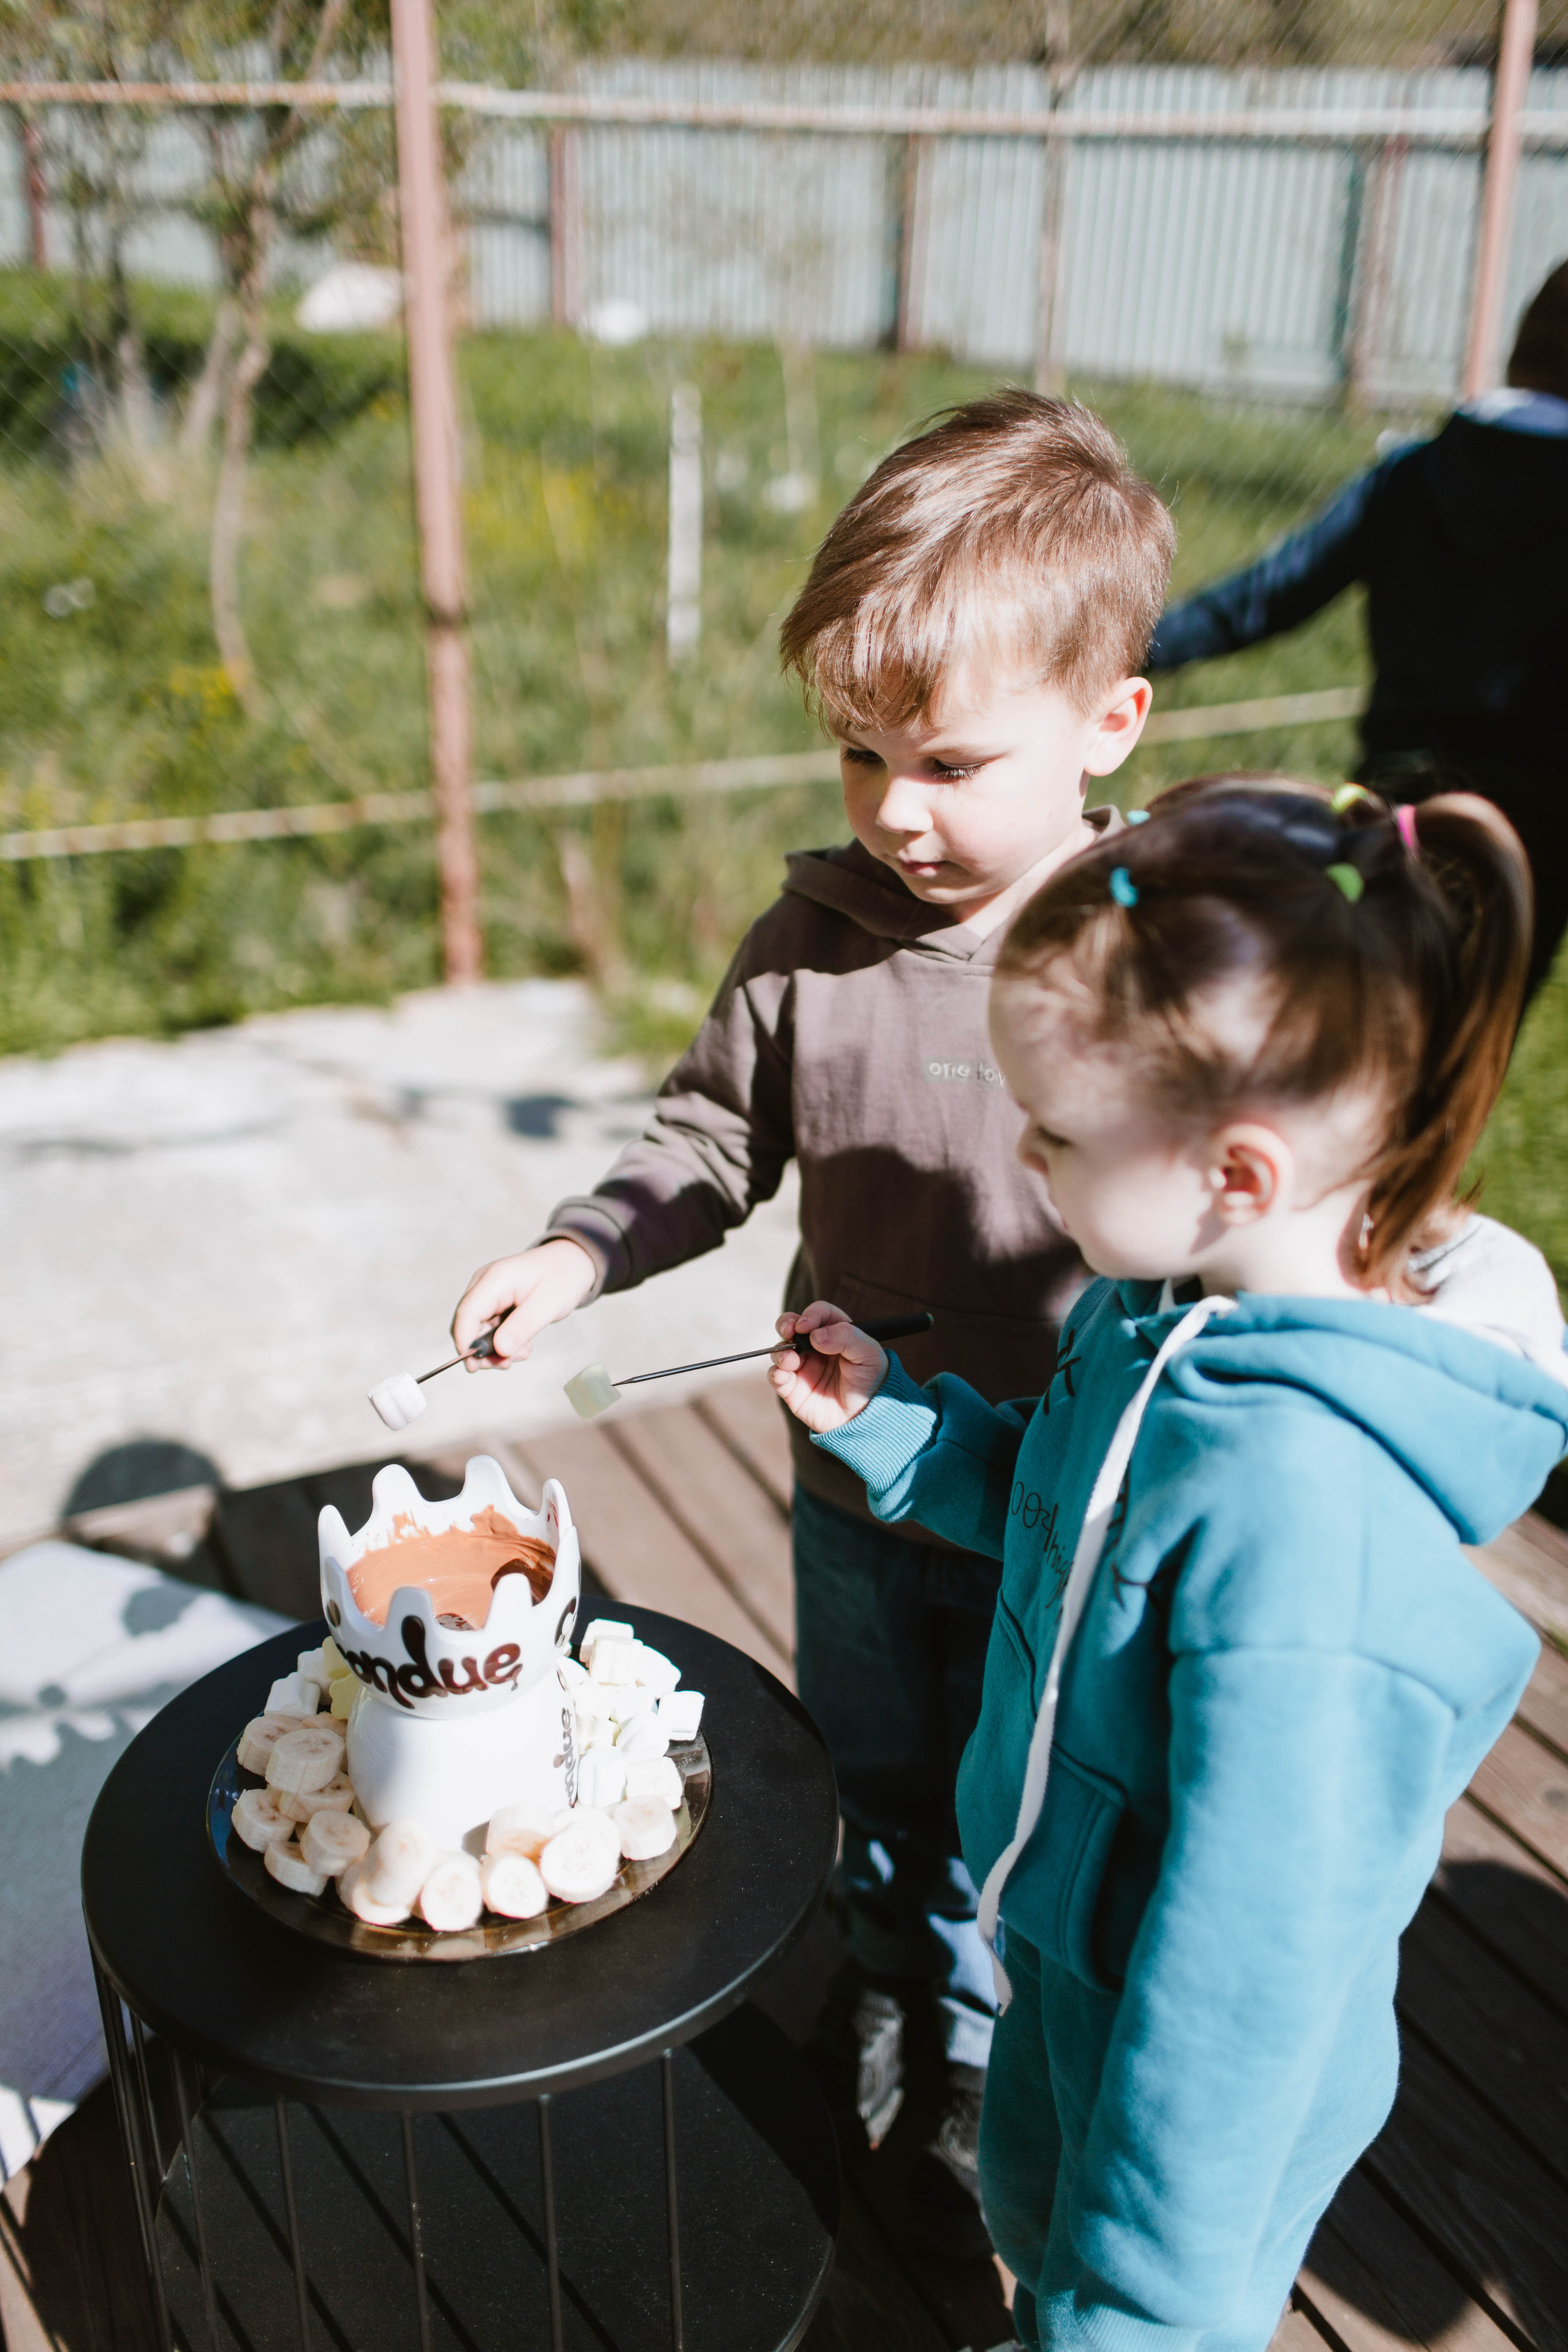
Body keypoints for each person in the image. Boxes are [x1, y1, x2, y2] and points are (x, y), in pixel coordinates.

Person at [451, 392, 1175, 2250]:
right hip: (856, 1477)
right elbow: (707, 1130)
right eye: (859, 758)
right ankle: (888, 1980)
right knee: (875, 1757)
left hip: (1072, 1500)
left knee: (1035, 1772)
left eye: (944, 760)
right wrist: (582, 1253)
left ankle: (994, 2036)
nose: (895, 811)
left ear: (1110, 722)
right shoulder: (812, 943)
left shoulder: (1168, 942)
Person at [767, 775, 1568, 2351]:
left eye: (1055, 1131)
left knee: (1105, 2287)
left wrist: (1132, 2309)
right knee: (1031, 2220)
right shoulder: (1158, 1319)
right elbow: (1069, 1526)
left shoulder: (1304, 1535)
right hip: (1066, 1958)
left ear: (1237, 1169)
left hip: (1185, 2073)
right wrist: (897, 1426)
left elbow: (1246, 1988)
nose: (1023, 1156)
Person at [1146, 260, 1568, 999]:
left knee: (1354, 1017)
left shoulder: (1411, 474)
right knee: (1466, 1039)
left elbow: (1264, 598)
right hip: (1538, 827)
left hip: (1391, 799)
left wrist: (1110, 653)